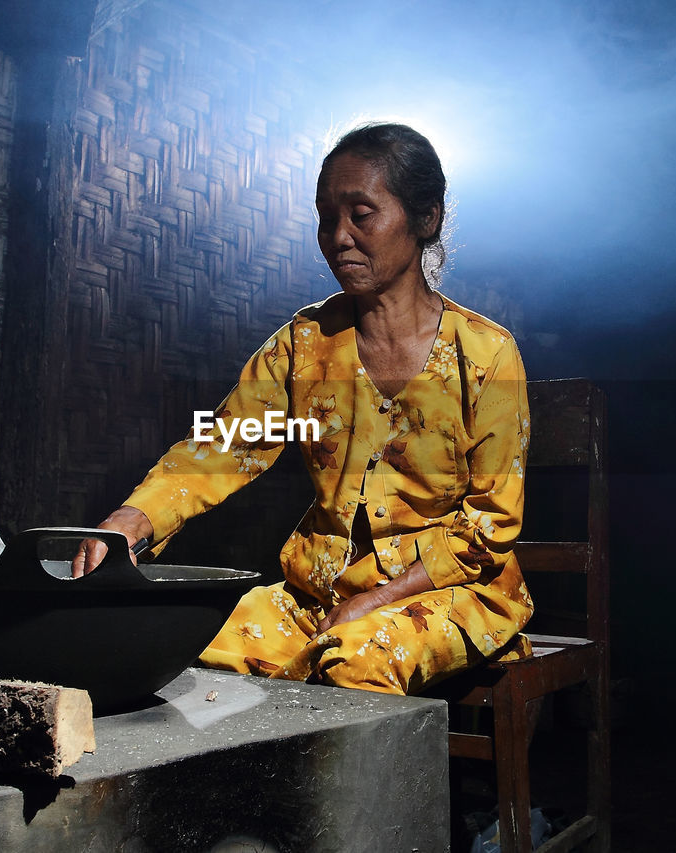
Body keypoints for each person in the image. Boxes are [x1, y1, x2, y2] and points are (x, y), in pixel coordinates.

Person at [73, 123, 533, 695]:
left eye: (360, 214)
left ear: (426, 218)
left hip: (446, 595)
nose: (338, 236)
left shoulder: (487, 356)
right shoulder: (304, 344)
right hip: (316, 597)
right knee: (173, 640)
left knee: (357, 658)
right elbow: (225, 443)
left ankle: (350, 788)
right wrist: (133, 519)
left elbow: (489, 528)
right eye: (325, 218)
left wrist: (379, 598)